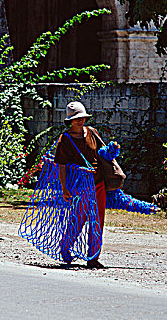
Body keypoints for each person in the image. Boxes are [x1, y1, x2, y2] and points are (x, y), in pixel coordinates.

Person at [54, 101, 108, 269]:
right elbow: (61, 165)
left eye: (83, 118)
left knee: (97, 221)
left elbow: (102, 154)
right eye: (77, 119)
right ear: (70, 121)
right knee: (79, 219)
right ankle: (66, 246)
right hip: (79, 186)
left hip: (98, 183)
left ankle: (93, 257)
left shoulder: (92, 133)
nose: (81, 121)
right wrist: (64, 188)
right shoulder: (65, 139)